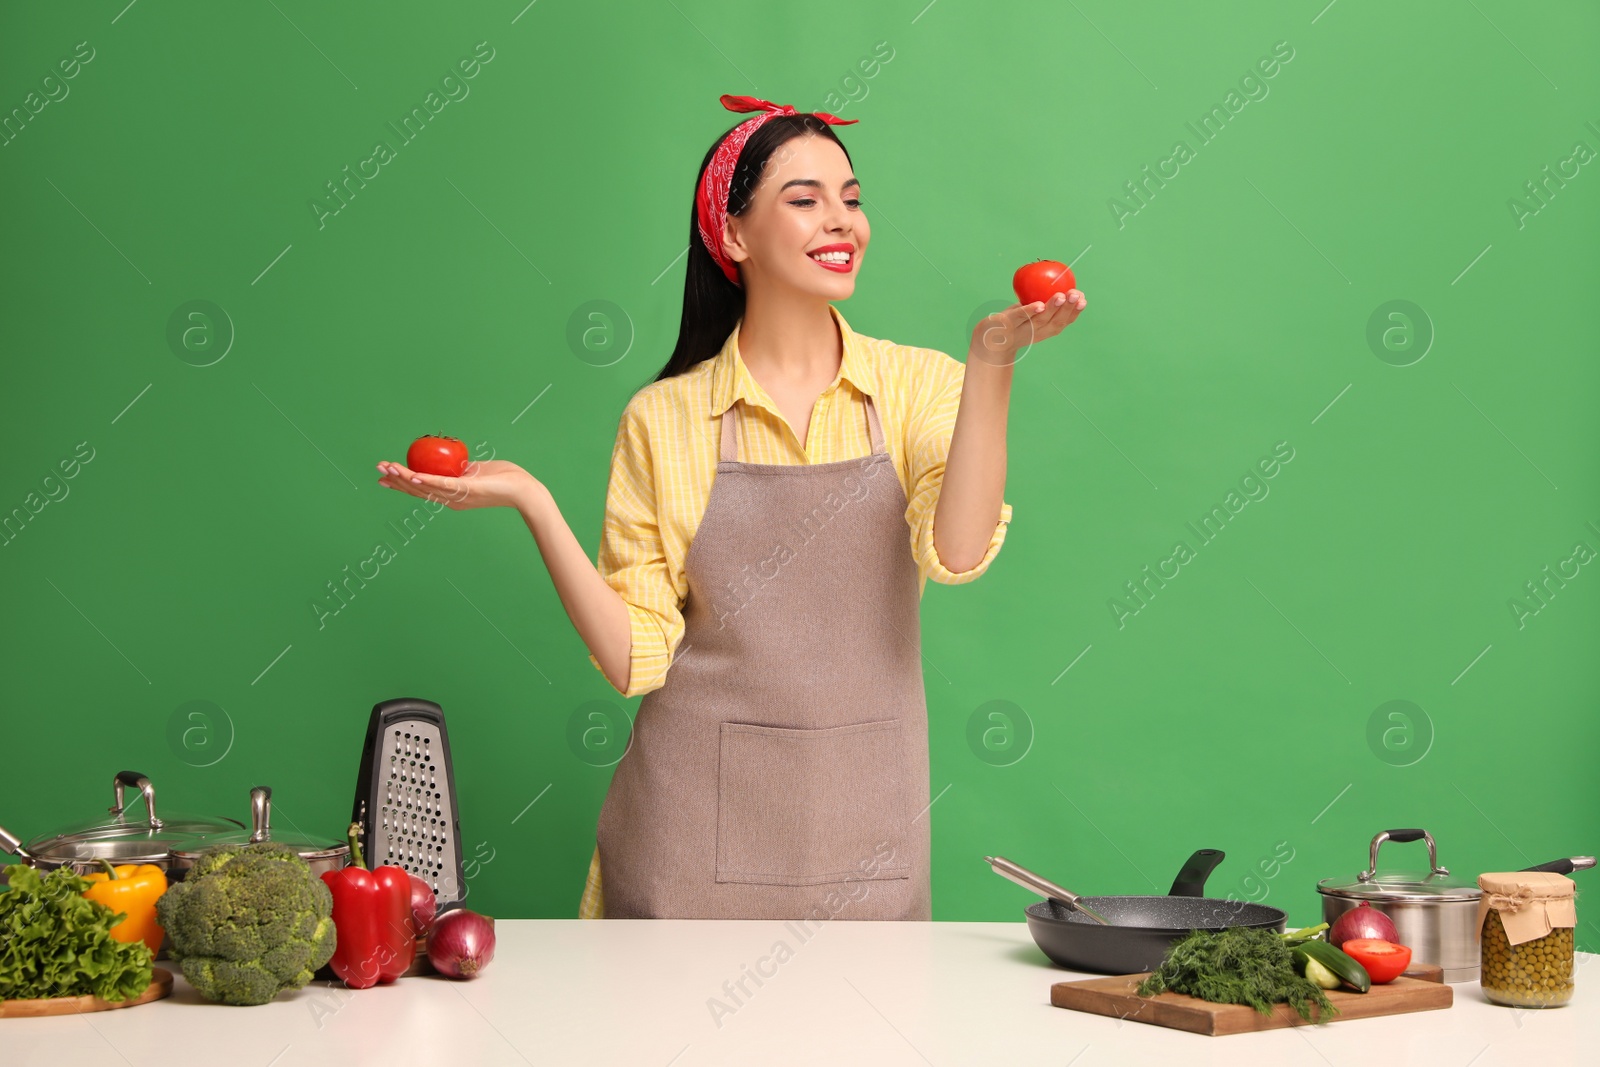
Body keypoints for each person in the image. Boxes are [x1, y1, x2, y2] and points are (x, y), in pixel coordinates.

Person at [376, 93, 1085, 921]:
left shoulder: (920, 384)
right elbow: (634, 660)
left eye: (851, 199)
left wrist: (993, 365)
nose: (842, 222)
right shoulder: (665, 418)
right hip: (684, 841)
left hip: (865, 834)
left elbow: (957, 553)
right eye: (805, 198)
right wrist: (534, 501)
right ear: (734, 233)